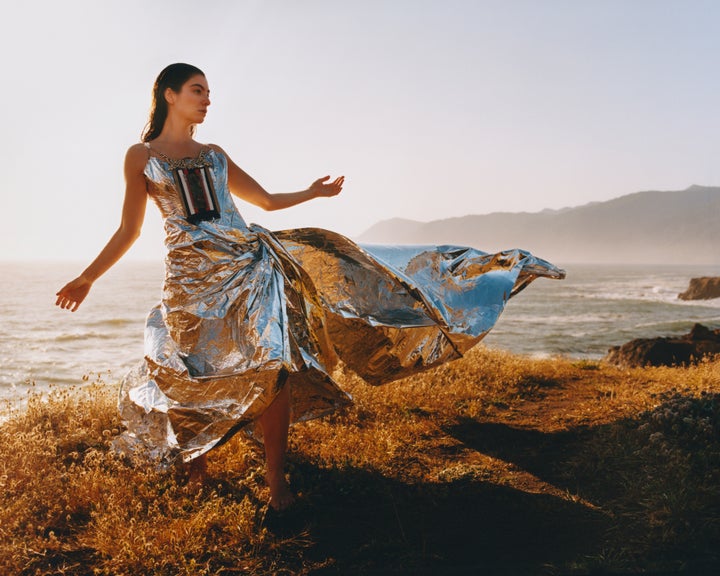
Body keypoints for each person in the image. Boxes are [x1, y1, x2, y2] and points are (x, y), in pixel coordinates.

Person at [56, 63, 564, 512]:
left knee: (273, 366)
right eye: (197, 90)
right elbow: (130, 230)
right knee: (191, 375)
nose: (207, 99)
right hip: (189, 282)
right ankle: (196, 472)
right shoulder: (140, 156)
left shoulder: (215, 154)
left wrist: (314, 192)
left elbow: (268, 202)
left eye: (209, 92)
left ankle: (277, 484)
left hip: (249, 268)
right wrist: (87, 277)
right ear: (169, 94)